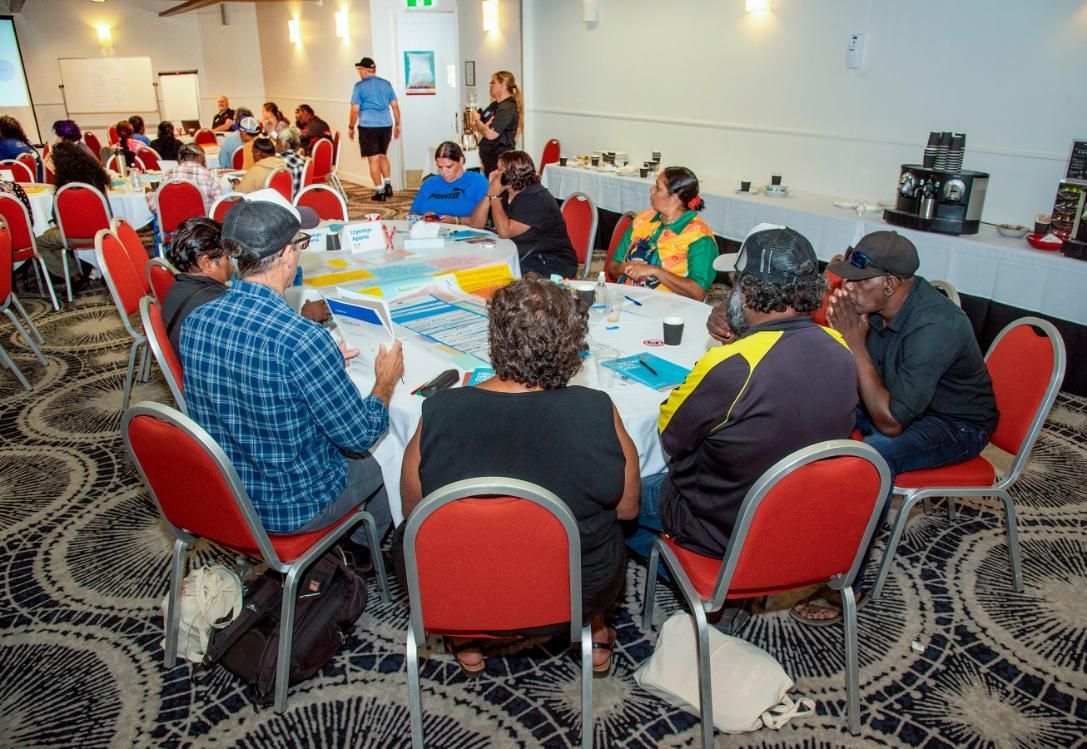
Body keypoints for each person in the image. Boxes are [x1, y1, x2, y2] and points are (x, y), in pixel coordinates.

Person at [400, 274, 640, 676]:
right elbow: (628, 508)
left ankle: (468, 634)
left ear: (495, 339)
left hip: (457, 584)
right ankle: (595, 628)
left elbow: (413, 511)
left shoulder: (440, 410)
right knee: (604, 533)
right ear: (571, 344)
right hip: (573, 589)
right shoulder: (597, 409)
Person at [180, 189, 404, 555]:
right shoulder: (302, 340)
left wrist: (321, 365)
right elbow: (360, 434)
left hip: (225, 493)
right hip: (292, 506)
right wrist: (385, 381)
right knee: (387, 452)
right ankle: (362, 550)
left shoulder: (198, 321)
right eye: (301, 244)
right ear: (286, 254)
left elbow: (250, 376)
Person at [790, 231, 998, 625]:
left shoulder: (936, 325)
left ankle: (848, 582)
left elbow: (890, 422)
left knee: (869, 462)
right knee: (805, 413)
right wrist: (841, 332)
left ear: (890, 284)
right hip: (895, 398)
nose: (845, 287)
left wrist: (854, 341)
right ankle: (789, 537)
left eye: (856, 281)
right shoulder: (879, 307)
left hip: (954, 423)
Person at [626, 225, 858, 566]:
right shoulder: (840, 347)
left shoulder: (732, 364)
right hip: (797, 513)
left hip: (719, 523)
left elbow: (672, 437)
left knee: (612, 500)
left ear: (746, 291)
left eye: (735, 281)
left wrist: (733, 347)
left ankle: (709, 582)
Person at [163, 211, 329, 354]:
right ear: (206, 263)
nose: (233, 263)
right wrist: (307, 317)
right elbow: (265, 348)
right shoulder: (214, 306)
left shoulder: (178, 289)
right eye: (227, 257)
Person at [605, 167, 717, 301]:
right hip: (626, 299)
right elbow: (613, 267)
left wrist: (655, 271)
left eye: (658, 188)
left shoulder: (699, 236)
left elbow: (698, 292)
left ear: (674, 198)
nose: (651, 190)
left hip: (670, 308)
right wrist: (625, 268)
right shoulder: (642, 220)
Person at [468, 150, 578, 279]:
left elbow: (505, 232)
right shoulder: (503, 193)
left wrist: (494, 196)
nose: (494, 174)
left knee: (499, 277)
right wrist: (489, 194)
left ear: (511, 175)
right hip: (521, 254)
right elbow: (475, 225)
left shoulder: (537, 198)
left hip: (549, 260)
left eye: (499, 170)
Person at [34, 139, 111, 286]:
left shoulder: (63, 189)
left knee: (39, 243)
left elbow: (57, 219)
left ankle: (72, 274)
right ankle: (86, 269)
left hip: (71, 236)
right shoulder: (96, 178)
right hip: (103, 231)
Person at [348, 56, 400, 202]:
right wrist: (397, 124)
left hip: (368, 126)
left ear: (365, 70)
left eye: (360, 69)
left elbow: (354, 110)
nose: (359, 72)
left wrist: (351, 126)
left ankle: (380, 191)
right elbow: (395, 106)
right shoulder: (386, 84)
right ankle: (388, 184)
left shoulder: (359, 86)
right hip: (386, 124)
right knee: (383, 155)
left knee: (373, 160)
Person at [410, 141, 488, 224]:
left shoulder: (478, 182)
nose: (443, 172)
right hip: (429, 232)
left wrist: (456, 220)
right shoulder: (429, 183)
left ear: (461, 161)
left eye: (449, 167)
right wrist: (422, 219)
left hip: (461, 233)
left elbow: (481, 222)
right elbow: (412, 214)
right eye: (440, 167)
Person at [471, 71, 521, 176]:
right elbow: (475, 127)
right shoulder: (495, 105)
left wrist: (478, 122)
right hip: (489, 159)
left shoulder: (507, 108)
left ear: (502, 86)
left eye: (493, 82)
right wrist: (480, 124)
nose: (490, 85)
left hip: (500, 161)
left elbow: (490, 134)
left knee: (496, 191)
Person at [150, 143, 222, 212]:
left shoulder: (168, 174)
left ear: (180, 158)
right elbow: (218, 205)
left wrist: (150, 194)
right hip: (201, 222)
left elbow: (155, 206)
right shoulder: (209, 175)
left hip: (173, 222)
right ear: (201, 158)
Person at [276, 127, 307, 197]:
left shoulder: (277, 161)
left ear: (285, 145)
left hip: (282, 201)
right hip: (298, 200)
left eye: (277, 144)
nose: (275, 146)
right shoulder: (304, 161)